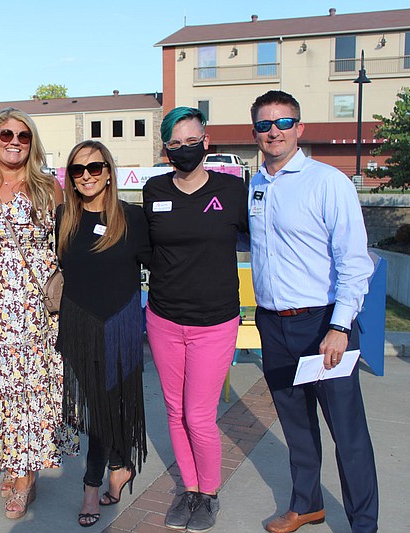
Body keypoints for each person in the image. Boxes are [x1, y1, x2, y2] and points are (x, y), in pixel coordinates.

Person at [248, 90, 378, 533]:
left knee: (347, 433)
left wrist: (340, 326)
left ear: (299, 128)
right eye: (265, 125)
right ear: (256, 134)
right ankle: (306, 504)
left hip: (323, 323)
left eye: (283, 123)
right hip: (273, 323)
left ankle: (363, 523)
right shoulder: (255, 184)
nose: (274, 132)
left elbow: (355, 263)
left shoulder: (328, 182)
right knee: (296, 425)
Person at [0, 107, 78, 520]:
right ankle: (13, 460)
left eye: (23, 135)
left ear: (32, 142)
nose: (14, 141)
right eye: (6, 134)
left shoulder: (46, 186)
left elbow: (65, 242)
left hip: (32, 311)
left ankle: (25, 479)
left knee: (29, 394)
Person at [143, 106, 249, 532]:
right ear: (165, 148)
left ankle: (208, 494)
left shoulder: (232, 189)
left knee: (199, 415)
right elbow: (140, 245)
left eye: (192, 141)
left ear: (206, 142)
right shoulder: (154, 191)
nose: (184, 149)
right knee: (174, 410)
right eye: (175, 143)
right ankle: (189, 488)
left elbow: (267, 237)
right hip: (165, 318)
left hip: (214, 322)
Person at [56, 140, 152, 528]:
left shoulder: (132, 217)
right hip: (79, 325)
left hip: (121, 324)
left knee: (111, 405)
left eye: (95, 168)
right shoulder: (64, 216)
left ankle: (93, 485)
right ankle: (118, 464)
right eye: (78, 170)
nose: (87, 176)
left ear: (109, 172)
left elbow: (162, 262)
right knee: (97, 404)